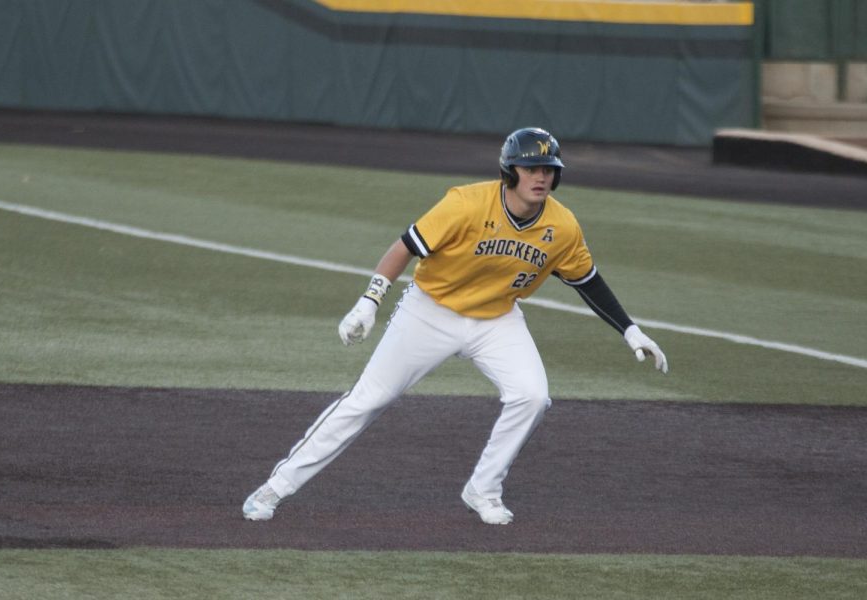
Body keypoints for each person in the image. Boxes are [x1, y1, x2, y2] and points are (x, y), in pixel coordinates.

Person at [243, 127, 668, 525]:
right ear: (510, 171)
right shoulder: (466, 203)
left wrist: (629, 329)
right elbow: (405, 246)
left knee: (533, 396)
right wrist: (368, 301)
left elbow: (587, 280)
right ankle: (274, 489)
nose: (540, 177)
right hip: (430, 311)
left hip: (497, 318)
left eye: (548, 170)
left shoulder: (562, 226)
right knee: (367, 400)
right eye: (530, 168)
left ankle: (483, 490)